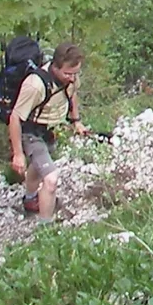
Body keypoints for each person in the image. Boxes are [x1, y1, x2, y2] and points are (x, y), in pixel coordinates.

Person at [7, 42, 90, 223]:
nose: (72, 78)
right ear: (55, 67)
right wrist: (18, 154)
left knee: (38, 167)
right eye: (67, 74)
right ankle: (45, 228)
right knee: (51, 179)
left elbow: (72, 94)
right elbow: (15, 117)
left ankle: (30, 200)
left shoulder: (71, 79)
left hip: (52, 131)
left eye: (75, 73)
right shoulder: (35, 85)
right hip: (31, 132)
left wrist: (76, 121)